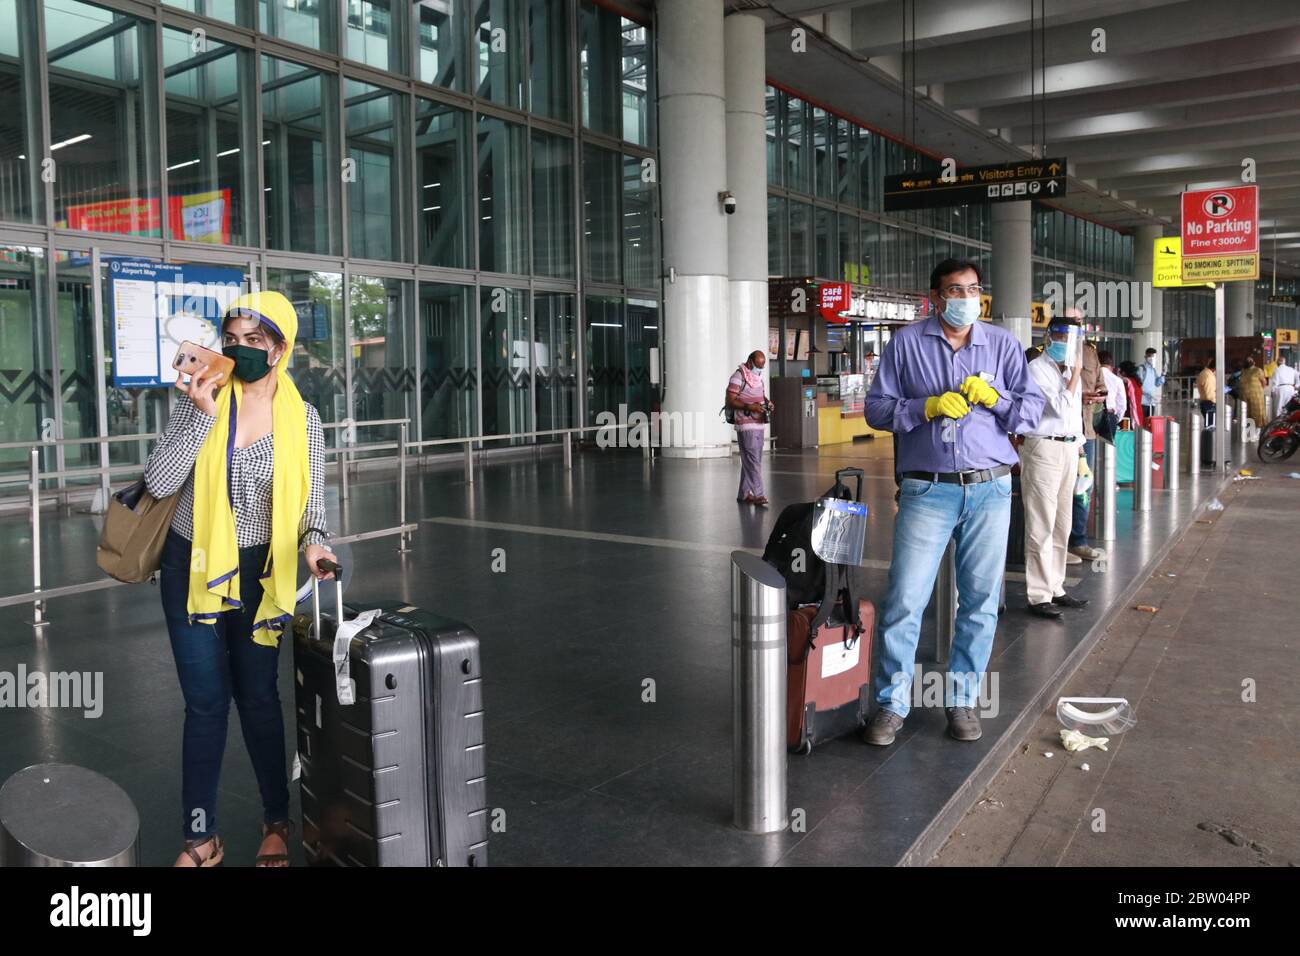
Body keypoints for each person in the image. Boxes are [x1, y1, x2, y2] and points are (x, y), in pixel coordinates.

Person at [144, 291, 335, 868]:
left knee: (256, 698)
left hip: (261, 576)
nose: (239, 349)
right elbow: (158, 483)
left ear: (281, 349)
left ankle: (276, 823)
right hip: (191, 567)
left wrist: (315, 545)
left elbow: (312, 508)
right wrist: (197, 418)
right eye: (232, 339)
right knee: (204, 704)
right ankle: (200, 838)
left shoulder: (302, 418)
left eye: (255, 340)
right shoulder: (204, 397)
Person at [862, 259, 1044, 746]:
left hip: (990, 487)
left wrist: (995, 398)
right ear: (935, 297)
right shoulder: (906, 344)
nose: (965, 297)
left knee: (981, 603)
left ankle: (962, 700)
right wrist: (925, 406)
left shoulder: (1002, 344)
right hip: (927, 487)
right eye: (954, 290)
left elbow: (1030, 412)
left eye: (972, 289)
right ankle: (890, 704)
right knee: (904, 599)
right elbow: (876, 409)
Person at [1020, 318, 1090, 620]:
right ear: (1048, 337)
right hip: (1043, 448)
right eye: (1060, 336)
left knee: (1063, 522)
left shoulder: (1068, 373)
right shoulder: (1037, 369)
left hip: (1069, 448)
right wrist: (1075, 375)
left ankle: (1056, 586)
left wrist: (1081, 447)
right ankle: (1038, 594)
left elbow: (1073, 417)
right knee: (1041, 523)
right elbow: (1059, 408)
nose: (1065, 343)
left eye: (1070, 339)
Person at [1066, 310, 1105, 565]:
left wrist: (1098, 393)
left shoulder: (1090, 352)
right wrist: (1075, 397)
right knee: (1057, 491)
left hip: (1086, 429)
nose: (1075, 328)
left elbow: (1101, 383)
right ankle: (1058, 547)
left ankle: (1078, 541)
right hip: (1057, 434)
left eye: (1078, 323)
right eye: (1070, 323)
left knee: (1082, 489)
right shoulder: (1039, 356)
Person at [726, 350, 771, 506]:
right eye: (758, 366)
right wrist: (749, 407)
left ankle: (744, 493)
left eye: (762, 366)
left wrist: (768, 402)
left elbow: (761, 396)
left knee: (752, 459)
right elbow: (730, 400)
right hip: (745, 424)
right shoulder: (738, 377)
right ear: (750, 362)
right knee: (753, 460)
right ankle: (759, 494)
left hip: (759, 423)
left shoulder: (758, 377)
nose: (760, 369)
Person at [1098, 351, 1128, 428]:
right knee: (1107, 440)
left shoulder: (1091, 377)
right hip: (1110, 414)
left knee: (1090, 439)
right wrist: (1117, 418)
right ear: (1111, 366)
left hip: (1091, 414)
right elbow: (1122, 403)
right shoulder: (1117, 380)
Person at [1237, 355, 1268, 430]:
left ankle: (1255, 428)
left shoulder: (1253, 370)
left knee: (1253, 411)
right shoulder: (1248, 370)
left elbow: (1263, 382)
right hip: (1250, 395)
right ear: (1253, 362)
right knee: (1251, 411)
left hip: (1250, 394)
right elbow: (1264, 382)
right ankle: (1252, 428)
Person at [1137, 347, 1166, 420]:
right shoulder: (1141, 369)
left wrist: (1163, 375)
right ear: (1145, 356)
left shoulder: (1153, 370)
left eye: (1153, 356)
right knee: (1142, 422)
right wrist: (1148, 394)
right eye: (1149, 356)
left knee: (1150, 423)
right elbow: (1138, 385)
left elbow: (1157, 383)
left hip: (1151, 402)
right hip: (1142, 402)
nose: (1151, 358)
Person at [1118, 360, 1145, 429]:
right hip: (1138, 413)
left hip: (1129, 415)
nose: (1118, 373)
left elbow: (1122, 397)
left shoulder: (1126, 382)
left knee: (1127, 436)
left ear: (1123, 372)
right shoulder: (1136, 381)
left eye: (1119, 371)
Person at [1195, 358, 1217, 429]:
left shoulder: (1204, 373)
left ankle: (1208, 438)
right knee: (1210, 426)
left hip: (1205, 402)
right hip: (1209, 403)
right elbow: (1209, 394)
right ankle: (1209, 439)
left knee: (1208, 425)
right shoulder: (1209, 376)